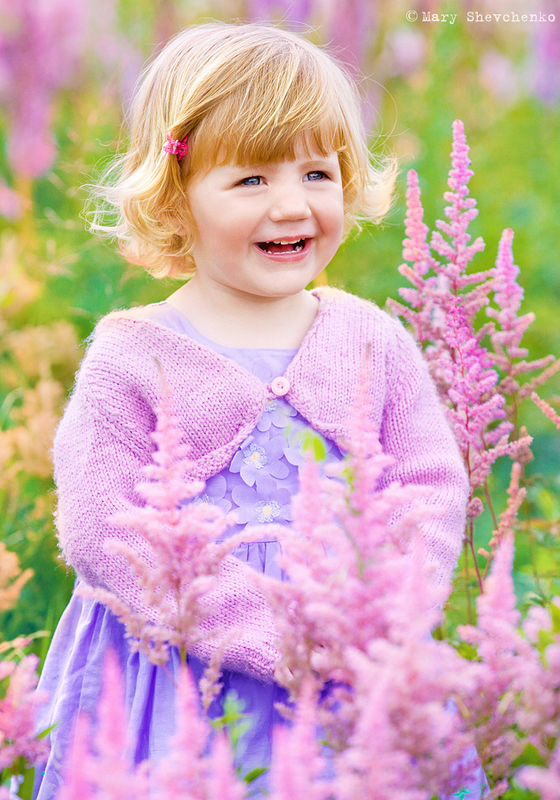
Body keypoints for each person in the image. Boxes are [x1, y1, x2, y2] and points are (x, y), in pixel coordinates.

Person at [33, 22, 483, 799]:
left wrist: (386, 611)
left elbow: (428, 483)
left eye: (316, 173)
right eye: (251, 181)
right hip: (178, 676)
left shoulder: (369, 339)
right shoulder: (133, 355)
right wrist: (258, 627)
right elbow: (101, 525)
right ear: (176, 196)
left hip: (349, 660)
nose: (291, 205)